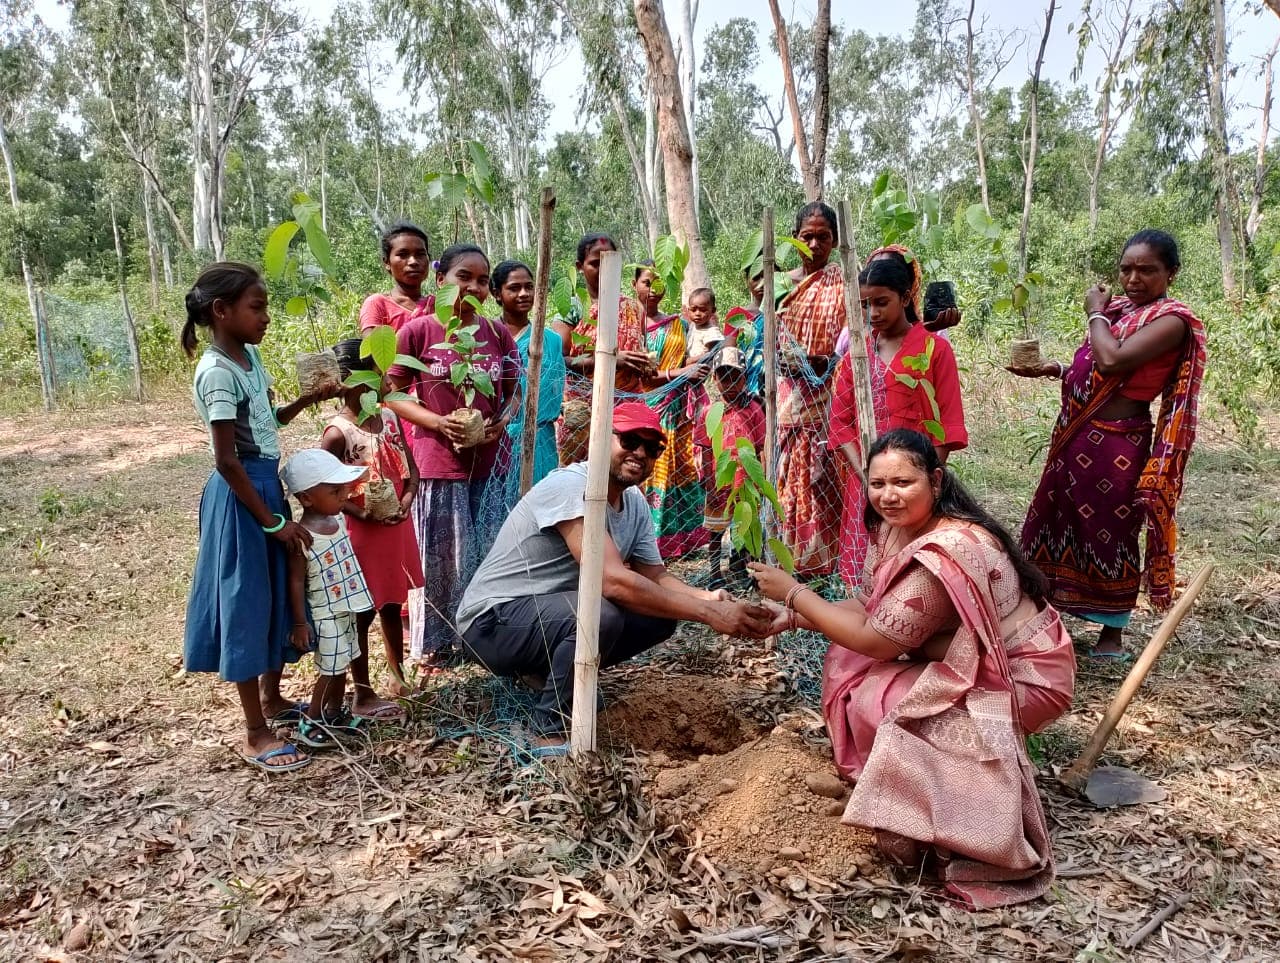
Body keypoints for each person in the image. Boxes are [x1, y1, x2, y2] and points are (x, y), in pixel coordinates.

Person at [749, 429, 1075, 909]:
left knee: (882, 696)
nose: (888, 496)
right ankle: (905, 793)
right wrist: (797, 616)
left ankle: (954, 829)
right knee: (854, 666)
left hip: (1024, 677)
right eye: (877, 484)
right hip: (958, 656)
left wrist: (796, 593)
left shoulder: (949, 549)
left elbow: (878, 641)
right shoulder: (894, 529)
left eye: (903, 482)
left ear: (936, 480)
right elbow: (869, 608)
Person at [456, 403, 775, 756]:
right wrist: (708, 616)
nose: (639, 453)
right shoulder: (571, 486)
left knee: (658, 615)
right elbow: (611, 581)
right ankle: (548, 728)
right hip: (491, 624)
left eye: (651, 448)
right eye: (629, 440)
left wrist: (707, 599)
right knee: (600, 615)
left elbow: (655, 576)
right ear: (599, 439)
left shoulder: (633, 502)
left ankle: (551, 678)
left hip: (542, 618)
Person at [1012, 229, 1206, 658]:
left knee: (1111, 532)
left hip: (1117, 444)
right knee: (1055, 522)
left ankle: (1111, 633)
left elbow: (1113, 359)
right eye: (1126, 269)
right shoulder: (1120, 311)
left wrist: (1094, 313)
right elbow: (1096, 370)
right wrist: (1056, 368)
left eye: (1146, 270)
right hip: (1075, 436)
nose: (1133, 278)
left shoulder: (1171, 321)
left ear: (1170, 273)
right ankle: (1047, 618)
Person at [180, 262, 340, 774]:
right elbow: (226, 459)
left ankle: (272, 701)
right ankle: (254, 731)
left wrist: (303, 402)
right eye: (257, 307)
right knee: (246, 602)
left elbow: (265, 424)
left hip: (264, 488)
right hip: (242, 497)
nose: (266, 317)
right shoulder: (217, 373)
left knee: (272, 592)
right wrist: (273, 523)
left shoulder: (248, 357)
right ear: (220, 311)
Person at [386, 244, 521, 668]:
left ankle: (483, 635)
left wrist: (501, 420)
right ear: (441, 278)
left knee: (487, 550)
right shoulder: (418, 331)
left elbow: (516, 389)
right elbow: (389, 392)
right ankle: (438, 642)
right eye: (465, 277)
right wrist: (437, 422)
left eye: (483, 280)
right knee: (442, 557)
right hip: (440, 463)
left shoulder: (495, 333)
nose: (475, 287)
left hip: (490, 463)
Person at [828, 254, 968, 587]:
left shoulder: (934, 351)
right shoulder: (856, 356)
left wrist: (924, 480)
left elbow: (947, 421)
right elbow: (840, 422)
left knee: (912, 568)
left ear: (905, 298)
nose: (873, 313)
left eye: (881, 302)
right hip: (864, 478)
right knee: (867, 567)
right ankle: (863, 632)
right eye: (866, 305)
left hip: (916, 481)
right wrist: (867, 478)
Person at [321, 338, 422, 709]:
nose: (387, 379)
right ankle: (362, 692)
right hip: (363, 533)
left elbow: (411, 471)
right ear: (352, 380)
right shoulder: (338, 434)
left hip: (394, 526)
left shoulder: (390, 418)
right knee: (362, 610)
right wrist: (363, 513)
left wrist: (407, 499)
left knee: (393, 602)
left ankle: (398, 679)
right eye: (378, 371)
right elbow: (324, 489)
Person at [281, 449, 376, 749]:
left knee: (344, 660)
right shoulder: (303, 537)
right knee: (329, 668)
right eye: (335, 491)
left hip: (346, 609)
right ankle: (310, 722)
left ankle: (333, 713)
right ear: (307, 499)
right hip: (326, 614)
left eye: (342, 490)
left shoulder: (337, 523)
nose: (342, 496)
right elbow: (296, 581)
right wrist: (299, 622)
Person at [775, 201, 846, 576]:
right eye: (808, 237)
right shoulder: (782, 284)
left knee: (824, 477)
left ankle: (825, 563)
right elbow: (765, 338)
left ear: (835, 241)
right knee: (790, 474)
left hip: (830, 395)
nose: (815, 245)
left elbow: (854, 340)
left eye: (824, 237)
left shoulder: (844, 283)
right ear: (796, 239)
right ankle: (793, 559)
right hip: (789, 395)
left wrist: (827, 361)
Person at [552, 233, 650, 465]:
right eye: (595, 263)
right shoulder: (573, 309)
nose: (604, 269)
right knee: (580, 477)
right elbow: (559, 361)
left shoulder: (632, 307)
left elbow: (638, 347)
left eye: (609, 262)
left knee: (626, 471)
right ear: (580, 267)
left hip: (628, 407)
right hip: (585, 413)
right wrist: (609, 360)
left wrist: (643, 365)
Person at [637, 265, 710, 557]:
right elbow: (644, 375)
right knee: (653, 469)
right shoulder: (632, 326)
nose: (653, 288)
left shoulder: (678, 323)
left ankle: (683, 541)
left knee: (681, 468)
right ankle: (649, 540)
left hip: (679, 409)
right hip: (651, 406)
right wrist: (682, 373)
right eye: (646, 282)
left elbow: (685, 359)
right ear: (634, 285)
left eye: (658, 282)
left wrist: (701, 361)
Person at [490, 259, 566, 506]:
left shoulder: (550, 340)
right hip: (495, 439)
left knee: (539, 512)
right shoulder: (485, 336)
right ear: (497, 294)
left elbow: (553, 392)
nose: (524, 293)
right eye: (514, 288)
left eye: (529, 287)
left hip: (539, 441)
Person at [694, 346, 765, 589]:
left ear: (745, 378)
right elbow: (705, 446)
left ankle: (743, 568)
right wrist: (708, 479)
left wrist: (760, 481)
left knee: (745, 524)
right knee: (715, 530)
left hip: (744, 480)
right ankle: (715, 572)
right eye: (723, 376)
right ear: (715, 378)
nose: (729, 382)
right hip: (719, 480)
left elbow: (760, 446)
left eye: (735, 376)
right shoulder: (708, 412)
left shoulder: (754, 409)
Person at [360, 222, 431, 332]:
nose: (413, 261)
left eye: (420, 254)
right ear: (387, 263)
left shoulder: (438, 306)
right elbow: (373, 348)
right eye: (403, 254)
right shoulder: (378, 304)